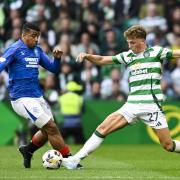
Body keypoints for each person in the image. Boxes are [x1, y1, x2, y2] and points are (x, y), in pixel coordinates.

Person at [62, 25, 180, 169]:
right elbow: (102, 59)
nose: (129, 45)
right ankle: (74, 160)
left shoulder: (156, 52)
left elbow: (177, 53)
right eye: (128, 42)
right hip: (131, 105)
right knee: (102, 128)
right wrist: (87, 56)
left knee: (168, 145)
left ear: (142, 41)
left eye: (132, 42)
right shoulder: (128, 56)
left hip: (151, 106)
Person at [0, 22, 72, 169]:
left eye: (38, 36)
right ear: (24, 35)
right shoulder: (14, 50)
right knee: (51, 127)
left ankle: (28, 150)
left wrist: (57, 59)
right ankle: (69, 159)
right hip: (21, 98)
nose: (36, 39)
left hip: (37, 97)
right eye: (33, 36)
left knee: (47, 131)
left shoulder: (38, 51)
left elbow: (53, 69)